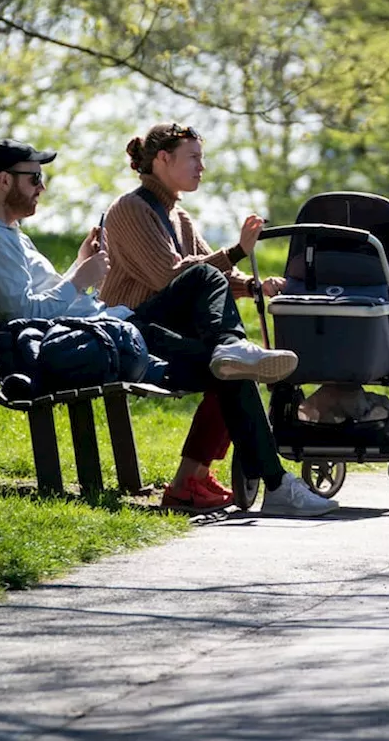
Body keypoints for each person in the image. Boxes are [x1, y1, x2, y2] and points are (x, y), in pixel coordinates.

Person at [0, 139, 337, 518]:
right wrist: (78, 279)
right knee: (219, 332)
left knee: (226, 352)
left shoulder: (9, 235)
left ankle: (265, 464)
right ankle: (273, 482)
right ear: (4, 181)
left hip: (109, 331)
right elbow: (26, 313)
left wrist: (79, 265)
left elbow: (42, 303)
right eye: (34, 177)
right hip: (101, 340)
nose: (42, 186)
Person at [100, 123, 286, 512]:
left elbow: (211, 276)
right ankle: (276, 484)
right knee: (228, 351)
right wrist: (236, 250)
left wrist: (255, 286)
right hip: (130, 332)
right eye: (194, 157)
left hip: (162, 331)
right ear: (163, 159)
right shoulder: (129, 210)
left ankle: (190, 481)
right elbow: (174, 275)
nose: (202, 167)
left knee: (232, 368)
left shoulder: (179, 217)